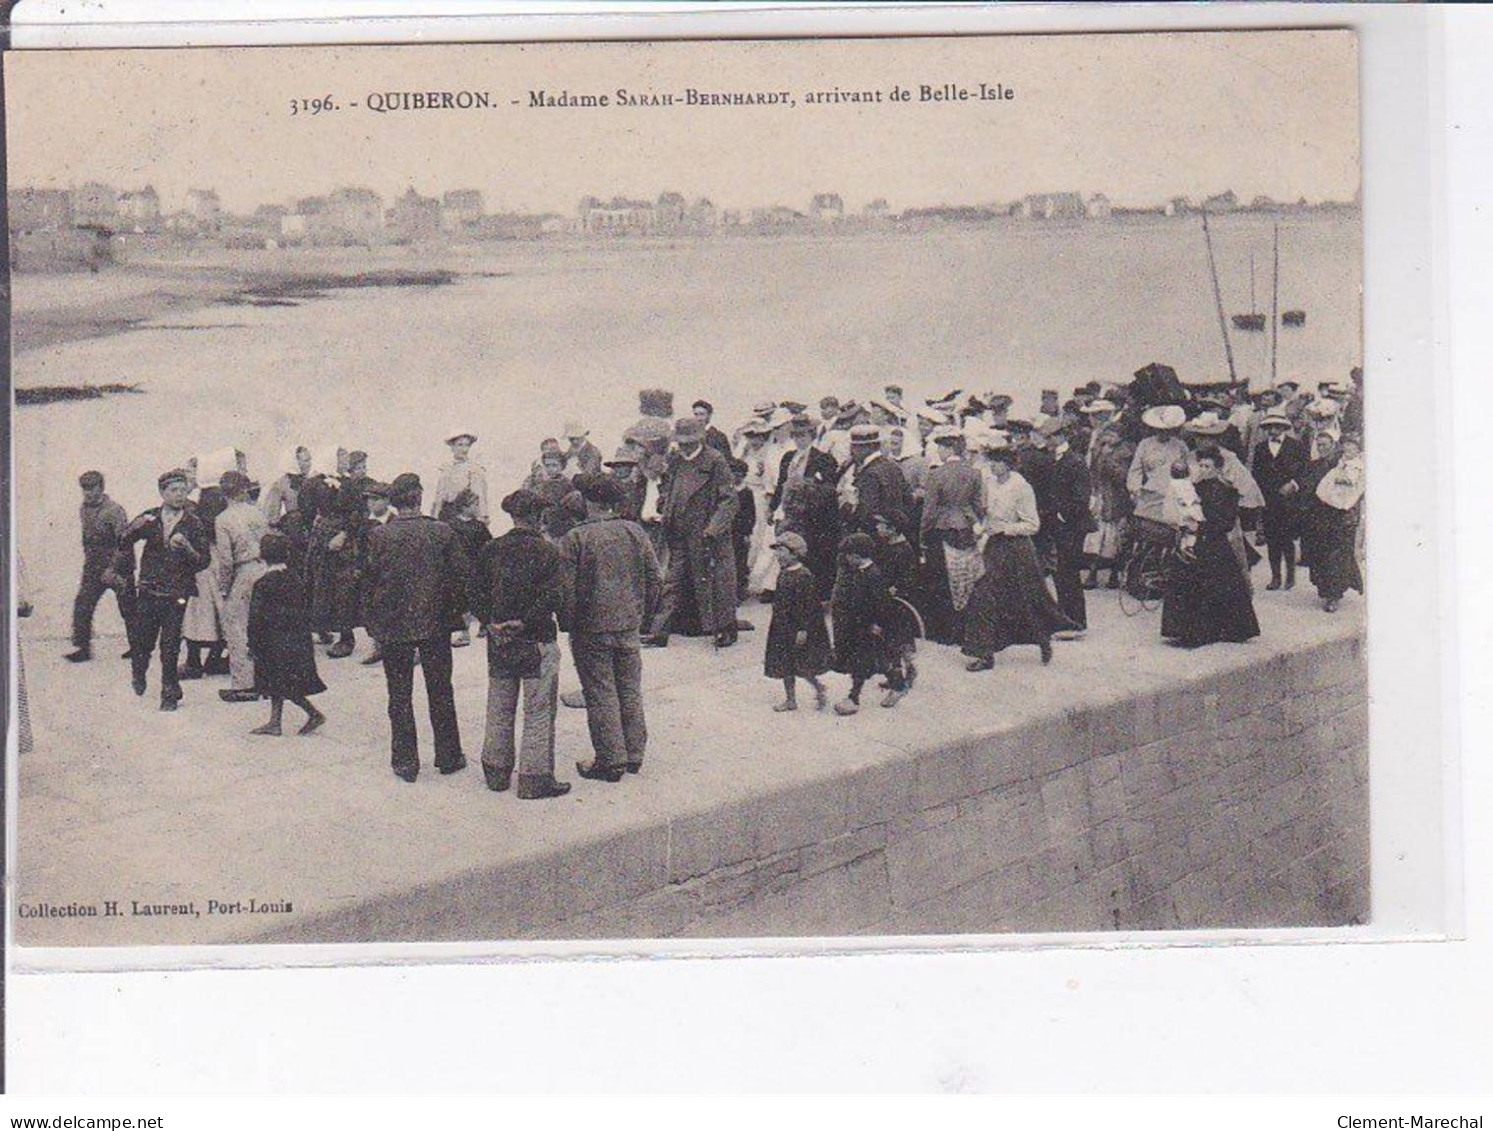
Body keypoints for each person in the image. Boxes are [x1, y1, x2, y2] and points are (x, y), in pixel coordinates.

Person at [362, 473, 472, 783]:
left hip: (394, 627)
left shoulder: (379, 536)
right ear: (419, 497)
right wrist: (456, 616)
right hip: (435, 624)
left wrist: (374, 623)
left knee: (398, 694)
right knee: (441, 690)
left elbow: (368, 583)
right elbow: (461, 578)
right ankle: (449, 756)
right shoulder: (442, 532)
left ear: (395, 500)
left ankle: (405, 762)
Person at [557, 474, 662, 782]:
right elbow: (655, 578)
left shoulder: (576, 538)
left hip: (591, 628)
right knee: (629, 689)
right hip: (628, 624)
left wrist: (568, 623)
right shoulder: (634, 531)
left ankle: (610, 760)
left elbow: (567, 590)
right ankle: (634, 754)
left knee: (600, 691)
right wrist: (642, 616)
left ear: (588, 501)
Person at [472, 488, 570, 800]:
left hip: (499, 642)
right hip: (536, 640)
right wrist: (525, 621)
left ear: (512, 515)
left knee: (499, 707)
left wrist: (491, 621)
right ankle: (534, 779)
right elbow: (555, 597)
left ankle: (496, 774)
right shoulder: (549, 552)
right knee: (538, 711)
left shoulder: (492, 549)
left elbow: (474, 592)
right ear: (539, 517)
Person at [962, 445, 1073, 671]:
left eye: (997, 462)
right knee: (984, 596)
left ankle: (1043, 640)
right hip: (994, 548)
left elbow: (1033, 525)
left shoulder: (1021, 487)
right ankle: (984, 654)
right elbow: (987, 515)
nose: (992, 466)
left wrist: (1006, 529)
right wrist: (981, 528)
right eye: (990, 461)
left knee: (1025, 599)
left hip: (1016, 550)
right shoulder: (990, 483)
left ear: (1008, 464)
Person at [112, 468, 212, 710]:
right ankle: (139, 672)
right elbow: (123, 541)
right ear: (162, 492)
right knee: (142, 642)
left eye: (183, 489)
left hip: (177, 593)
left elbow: (204, 561)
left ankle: (168, 692)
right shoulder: (150, 518)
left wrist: (187, 548)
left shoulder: (193, 523)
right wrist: (134, 528)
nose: (179, 495)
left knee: (170, 644)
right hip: (148, 590)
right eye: (173, 490)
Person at [642, 417, 740, 649]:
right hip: (678, 531)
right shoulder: (675, 460)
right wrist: (664, 504)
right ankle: (659, 632)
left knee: (717, 583)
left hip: (706, 533)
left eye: (689, 442)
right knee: (671, 582)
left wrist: (714, 528)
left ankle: (725, 628)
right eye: (682, 442)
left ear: (700, 439)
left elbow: (729, 500)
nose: (685, 446)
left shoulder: (715, 461)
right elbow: (669, 487)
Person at [1160, 445, 1261, 647]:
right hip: (1195, 539)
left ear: (1218, 469)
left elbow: (1227, 522)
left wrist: (1203, 524)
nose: (1203, 469)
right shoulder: (1192, 488)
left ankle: (1213, 630)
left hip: (1214, 543)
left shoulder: (1227, 490)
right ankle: (1183, 630)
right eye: (1201, 465)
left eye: (1208, 466)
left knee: (1217, 583)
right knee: (1185, 580)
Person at [246, 532, 326, 736]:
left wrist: (252, 644)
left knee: (277, 683)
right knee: (288, 682)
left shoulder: (262, 584)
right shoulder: (296, 579)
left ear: (261, 556)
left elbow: (256, 618)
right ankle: (277, 721)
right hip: (297, 640)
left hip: (272, 642)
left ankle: (305, 715)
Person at [918, 426, 985, 644]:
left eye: (940, 448)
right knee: (965, 577)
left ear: (948, 448)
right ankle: (966, 628)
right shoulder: (974, 472)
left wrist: (922, 535)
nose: (938, 452)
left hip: (942, 529)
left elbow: (928, 511)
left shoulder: (936, 474)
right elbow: (980, 506)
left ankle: (945, 632)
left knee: (942, 581)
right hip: (965, 529)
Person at [830, 532, 905, 714]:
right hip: (860, 626)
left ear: (857, 555)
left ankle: (854, 698)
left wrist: (877, 623)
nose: (846, 559)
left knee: (868, 661)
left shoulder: (873, 575)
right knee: (871, 661)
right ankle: (897, 685)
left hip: (870, 627)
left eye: (848, 555)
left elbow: (882, 604)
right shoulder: (860, 572)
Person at [66, 470, 136, 663]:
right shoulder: (83, 509)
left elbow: (124, 542)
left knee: (128, 607)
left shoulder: (114, 510)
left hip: (118, 565)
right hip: (94, 566)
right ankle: (82, 648)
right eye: (84, 489)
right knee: (83, 605)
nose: (88, 493)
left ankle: (138, 647)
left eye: (92, 488)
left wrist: (113, 569)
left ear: (102, 488)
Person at [213, 470, 270, 703]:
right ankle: (266, 680)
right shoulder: (257, 513)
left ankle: (244, 684)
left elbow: (226, 560)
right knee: (263, 626)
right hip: (263, 567)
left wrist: (224, 587)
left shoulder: (223, 519)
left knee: (236, 627)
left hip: (243, 571)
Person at [181, 449, 234, 680]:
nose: (188, 474)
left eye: (192, 470)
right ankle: (212, 659)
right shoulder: (214, 495)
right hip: (210, 558)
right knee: (215, 610)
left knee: (199, 611)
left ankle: (194, 663)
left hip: (204, 561)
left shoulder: (206, 498)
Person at [762, 532, 830, 712]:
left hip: (798, 628)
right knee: (785, 664)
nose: (778, 555)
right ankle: (790, 699)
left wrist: (803, 629)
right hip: (782, 627)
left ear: (795, 553)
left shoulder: (803, 576)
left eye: (782, 551)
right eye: (776, 551)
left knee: (803, 663)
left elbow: (809, 606)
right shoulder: (783, 574)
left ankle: (818, 687)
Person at [1302, 434, 1365, 612]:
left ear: (1333, 445)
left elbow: (1354, 489)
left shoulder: (1346, 464)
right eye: (1319, 445)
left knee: (1337, 555)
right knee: (1320, 553)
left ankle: (1334, 595)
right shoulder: (1317, 464)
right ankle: (1325, 590)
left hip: (1340, 516)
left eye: (1325, 445)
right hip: (1319, 515)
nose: (1321, 448)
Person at [1252, 410, 1309, 590]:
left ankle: (1290, 575)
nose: (1273, 430)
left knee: (1287, 539)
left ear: (1284, 428)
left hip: (1289, 500)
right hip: (1269, 500)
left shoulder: (1296, 446)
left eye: (1277, 427)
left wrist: (1293, 484)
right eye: (1269, 427)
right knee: (1272, 539)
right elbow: (1256, 473)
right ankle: (1275, 576)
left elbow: (1305, 470)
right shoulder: (1260, 448)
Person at [1081, 400, 1133, 589]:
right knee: (1099, 536)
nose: (1091, 419)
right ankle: (1100, 574)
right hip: (1099, 493)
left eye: (1095, 415)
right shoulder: (1095, 439)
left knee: (1113, 537)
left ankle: (1109, 575)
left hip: (1115, 497)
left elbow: (1123, 476)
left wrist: (1105, 459)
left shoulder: (1122, 449)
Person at [1050, 423, 1095, 632]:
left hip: (1072, 525)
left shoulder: (1074, 461)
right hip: (1065, 524)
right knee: (1063, 572)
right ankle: (1066, 616)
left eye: (1049, 437)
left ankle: (1075, 620)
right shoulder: (1060, 458)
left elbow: (1081, 498)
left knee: (1068, 571)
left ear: (1058, 437)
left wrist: (1062, 514)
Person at [840, 424, 913, 538]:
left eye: (854, 447)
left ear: (867, 447)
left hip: (874, 534)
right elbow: (908, 498)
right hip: (895, 532)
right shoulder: (893, 466)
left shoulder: (870, 473)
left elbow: (866, 510)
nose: (852, 451)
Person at [1127, 405, 1190, 523]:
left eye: (1167, 430)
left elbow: (1189, 468)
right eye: (1160, 430)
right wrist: (1135, 490)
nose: (1163, 433)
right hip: (1151, 492)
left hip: (1174, 492)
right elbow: (1136, 470)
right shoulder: (1145, 444)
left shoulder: (1180, 445)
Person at [431, 430, 489, 522]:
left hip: (465, 516)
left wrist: (482, 518)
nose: (464, 449)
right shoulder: (446, 468)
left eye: (467, 445)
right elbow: (439, 496)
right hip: (446, 514)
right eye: (460, 445)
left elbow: (479, 496)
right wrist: (434, 517)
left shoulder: (474, 469)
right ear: (452, 447)